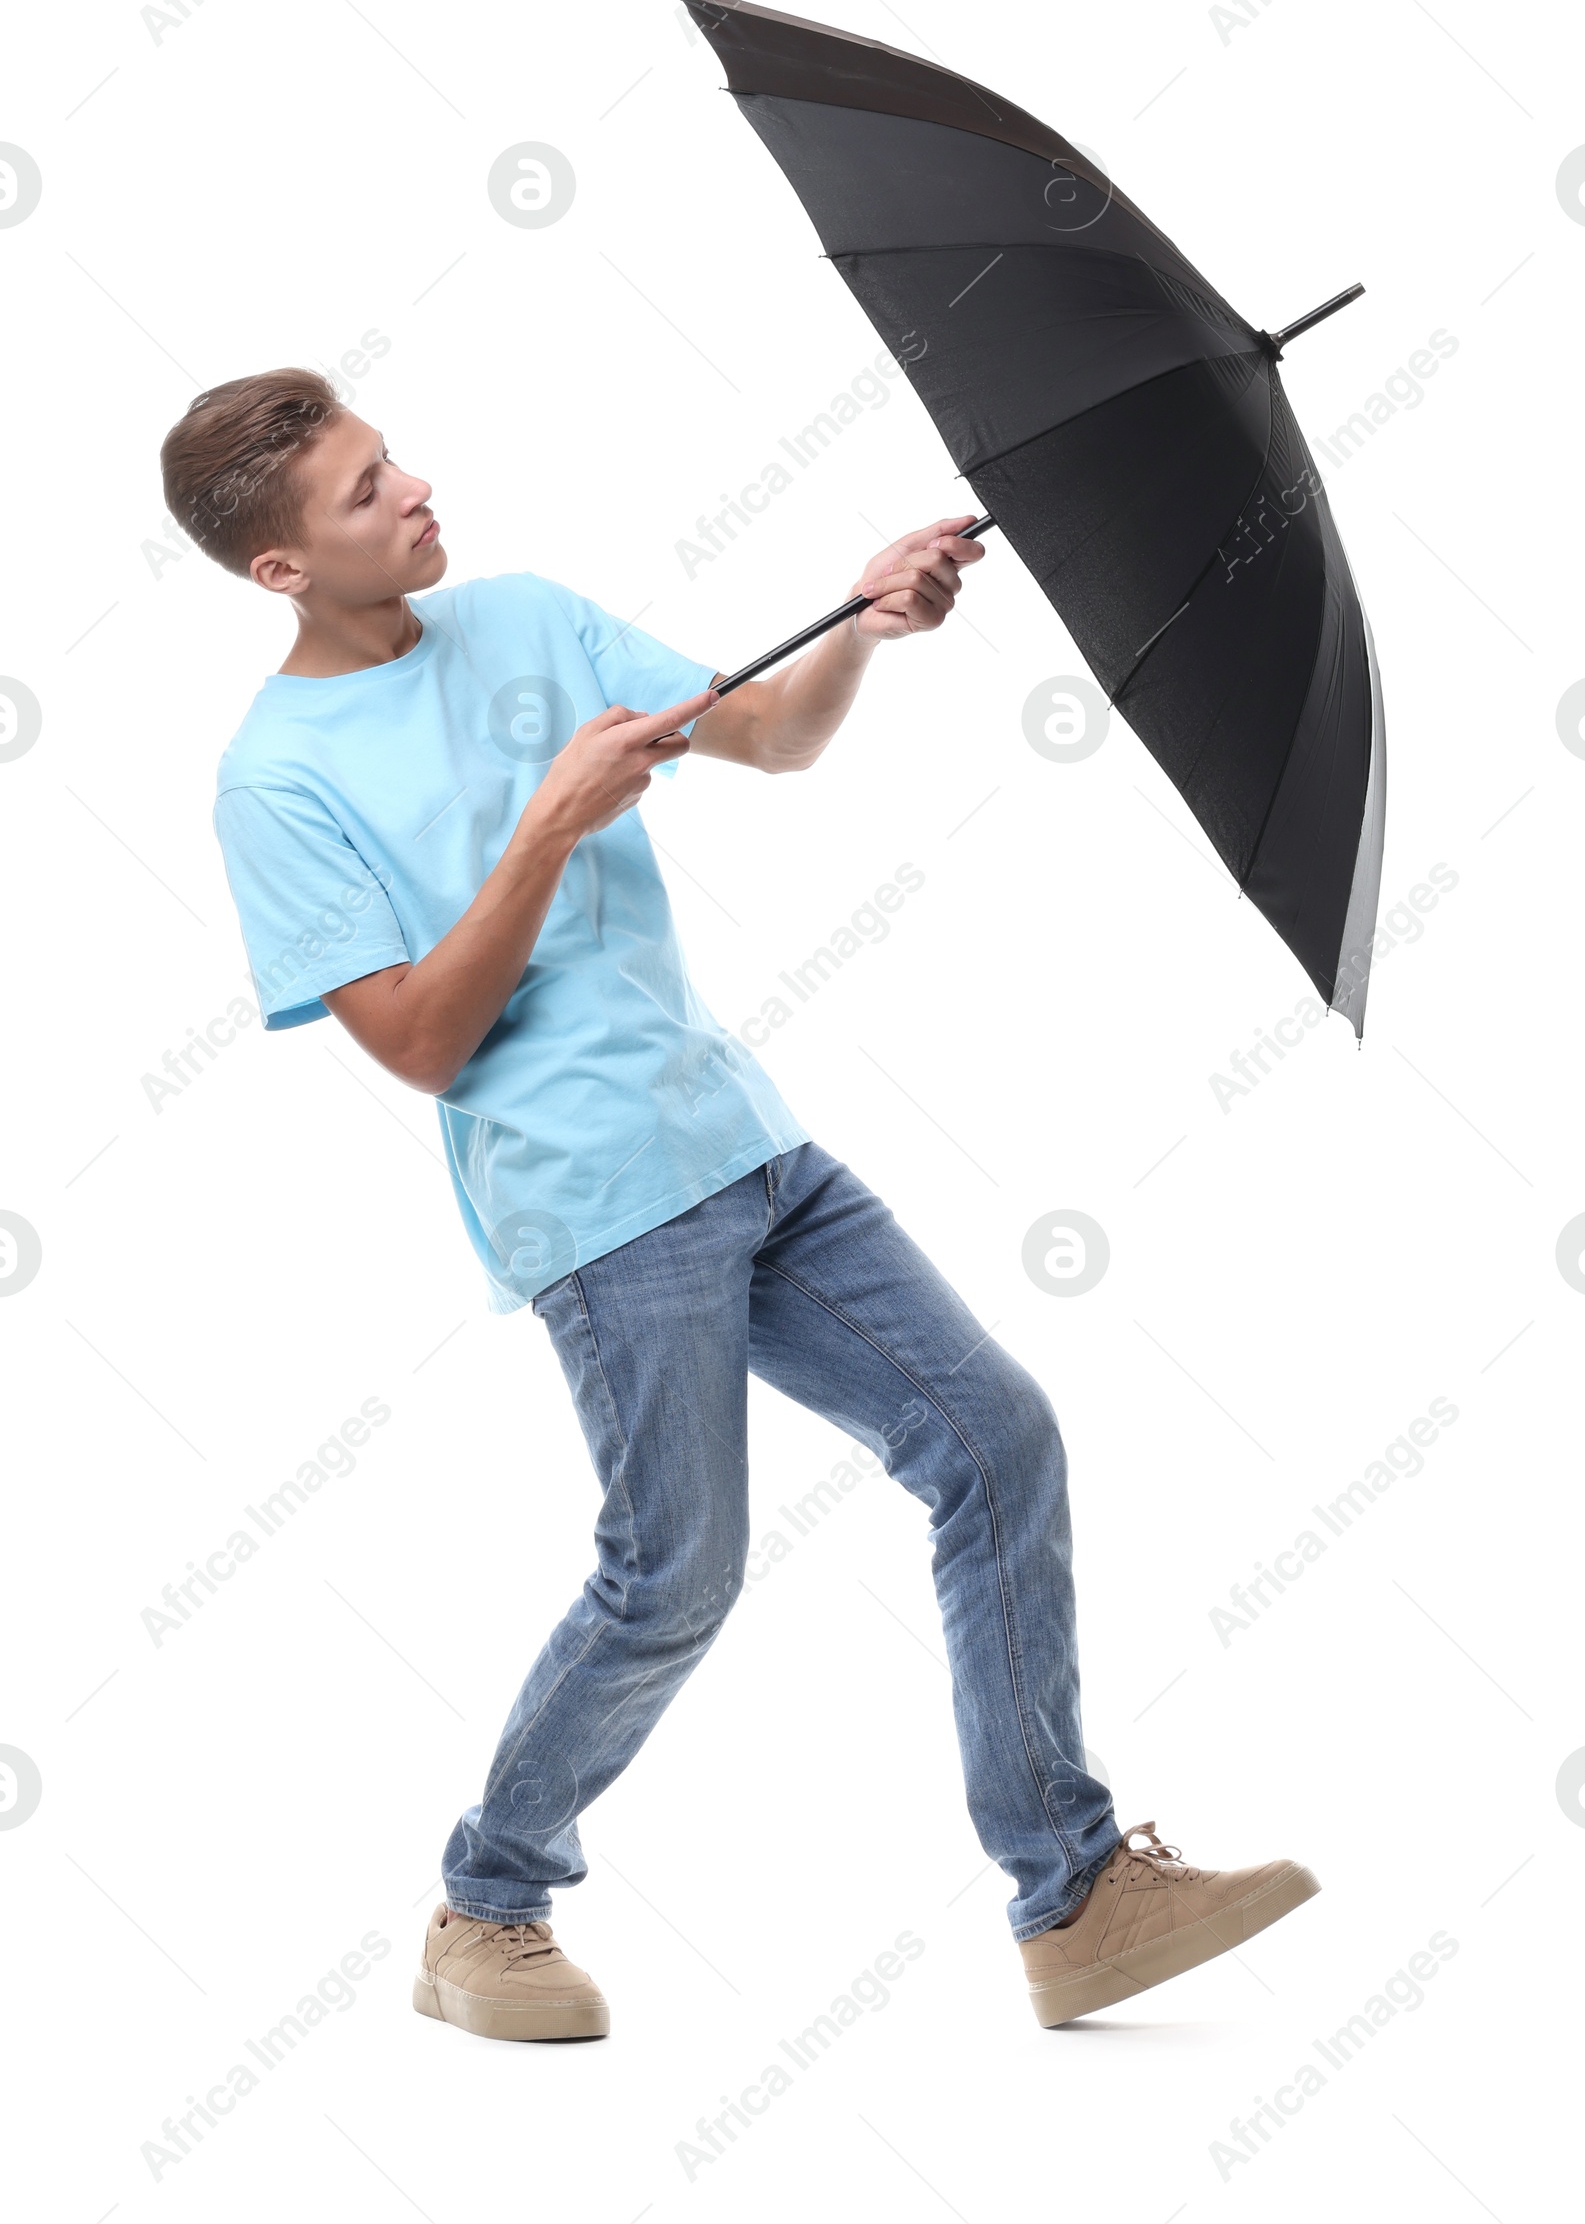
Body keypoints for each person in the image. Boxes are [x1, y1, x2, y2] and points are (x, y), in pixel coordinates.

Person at [163, 366, 1319, 2042]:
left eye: (392, 454)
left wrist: (860, 620)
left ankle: (1068, 1891)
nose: (415, 486)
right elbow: (416, 1039)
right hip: (600, 1203)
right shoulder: (272, 780)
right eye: (363, 492)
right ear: (280, 570)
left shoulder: (523, 616)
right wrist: (548, 827)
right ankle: (487, 1904)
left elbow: (767, 731)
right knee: (674, 1575)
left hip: (747, 1145)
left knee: (996, 1437)